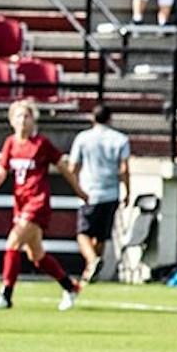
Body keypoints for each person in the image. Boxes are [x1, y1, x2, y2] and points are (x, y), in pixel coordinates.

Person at [0, 99, 90, 311]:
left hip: (37, 202)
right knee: (36, 255)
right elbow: (2, 170)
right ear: (12, 120)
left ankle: (6, 295)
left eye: (27, 116)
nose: (23, 120)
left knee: (12, 243)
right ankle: (70, 287)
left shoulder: (41, 144)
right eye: (19, 116)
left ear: (33, 120)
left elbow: (64, 168)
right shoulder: (10, 143)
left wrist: (79, 191)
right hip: (20, 203)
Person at [67, 105, 130, 287]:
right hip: (111, 192)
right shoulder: (121, 139)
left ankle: (92, 260)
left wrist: (77, 187)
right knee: (101, 236)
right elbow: (124, 169)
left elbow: (73, 168)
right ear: (110, 119)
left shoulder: (83, 138)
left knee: (83, 233)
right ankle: (90, 272)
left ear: (92, 119)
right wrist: (127, 190)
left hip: (89, 192)